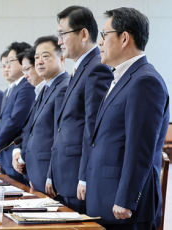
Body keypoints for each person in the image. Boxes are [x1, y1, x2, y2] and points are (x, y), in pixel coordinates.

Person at [86, 8, 169, 229]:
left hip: (126, 207)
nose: (100, 43)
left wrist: (125, 198)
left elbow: (140, 146)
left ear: (124, 38)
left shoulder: (145, 81)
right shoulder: (121, 77)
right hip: (106, 197)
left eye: (104, 35)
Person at [45, 6, 114, 214]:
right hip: (65, 176)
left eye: (62, 34)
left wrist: (84, 176)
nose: (59, 42)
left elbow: (92, 128)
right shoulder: (79, 69)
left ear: (83, 34)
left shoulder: (96, 68)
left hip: (78, 178)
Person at [20, 36, 69, 193]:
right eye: (36, 58)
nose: (39, 61)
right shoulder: (46, 88)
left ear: (61, 58)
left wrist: (51, 175)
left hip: (50, 176)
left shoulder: (63, 87)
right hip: (37, 173)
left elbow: (60, 137)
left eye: (45, 56)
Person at [0, 42, 35, 185]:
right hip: (5, 154)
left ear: (23, 61)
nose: (7, 65)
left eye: (10, 61)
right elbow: (2, 121)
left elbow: (16, 120)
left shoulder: (26, 87)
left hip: (15, 155)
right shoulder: (12, 88)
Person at [12, 48, 45, 176]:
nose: (25, 75)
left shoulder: (55, 91)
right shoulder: (37, 92)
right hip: (30, 168)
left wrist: (22, 159)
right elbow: (26, 131)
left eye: (27, 69)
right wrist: (17, 152)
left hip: (41, 170)